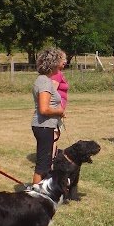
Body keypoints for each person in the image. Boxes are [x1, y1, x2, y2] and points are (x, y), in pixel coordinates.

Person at [32, 47, 67, 185]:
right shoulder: (45, 82)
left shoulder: (43, 79)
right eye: (60, 60)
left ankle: (40, 192)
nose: (62, 63)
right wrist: (60, 111)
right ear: (53, 63)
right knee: (43, 165)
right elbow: (44, 109)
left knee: (45, 163)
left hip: (45, 126)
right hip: (44, 126)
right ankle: (34, 194)